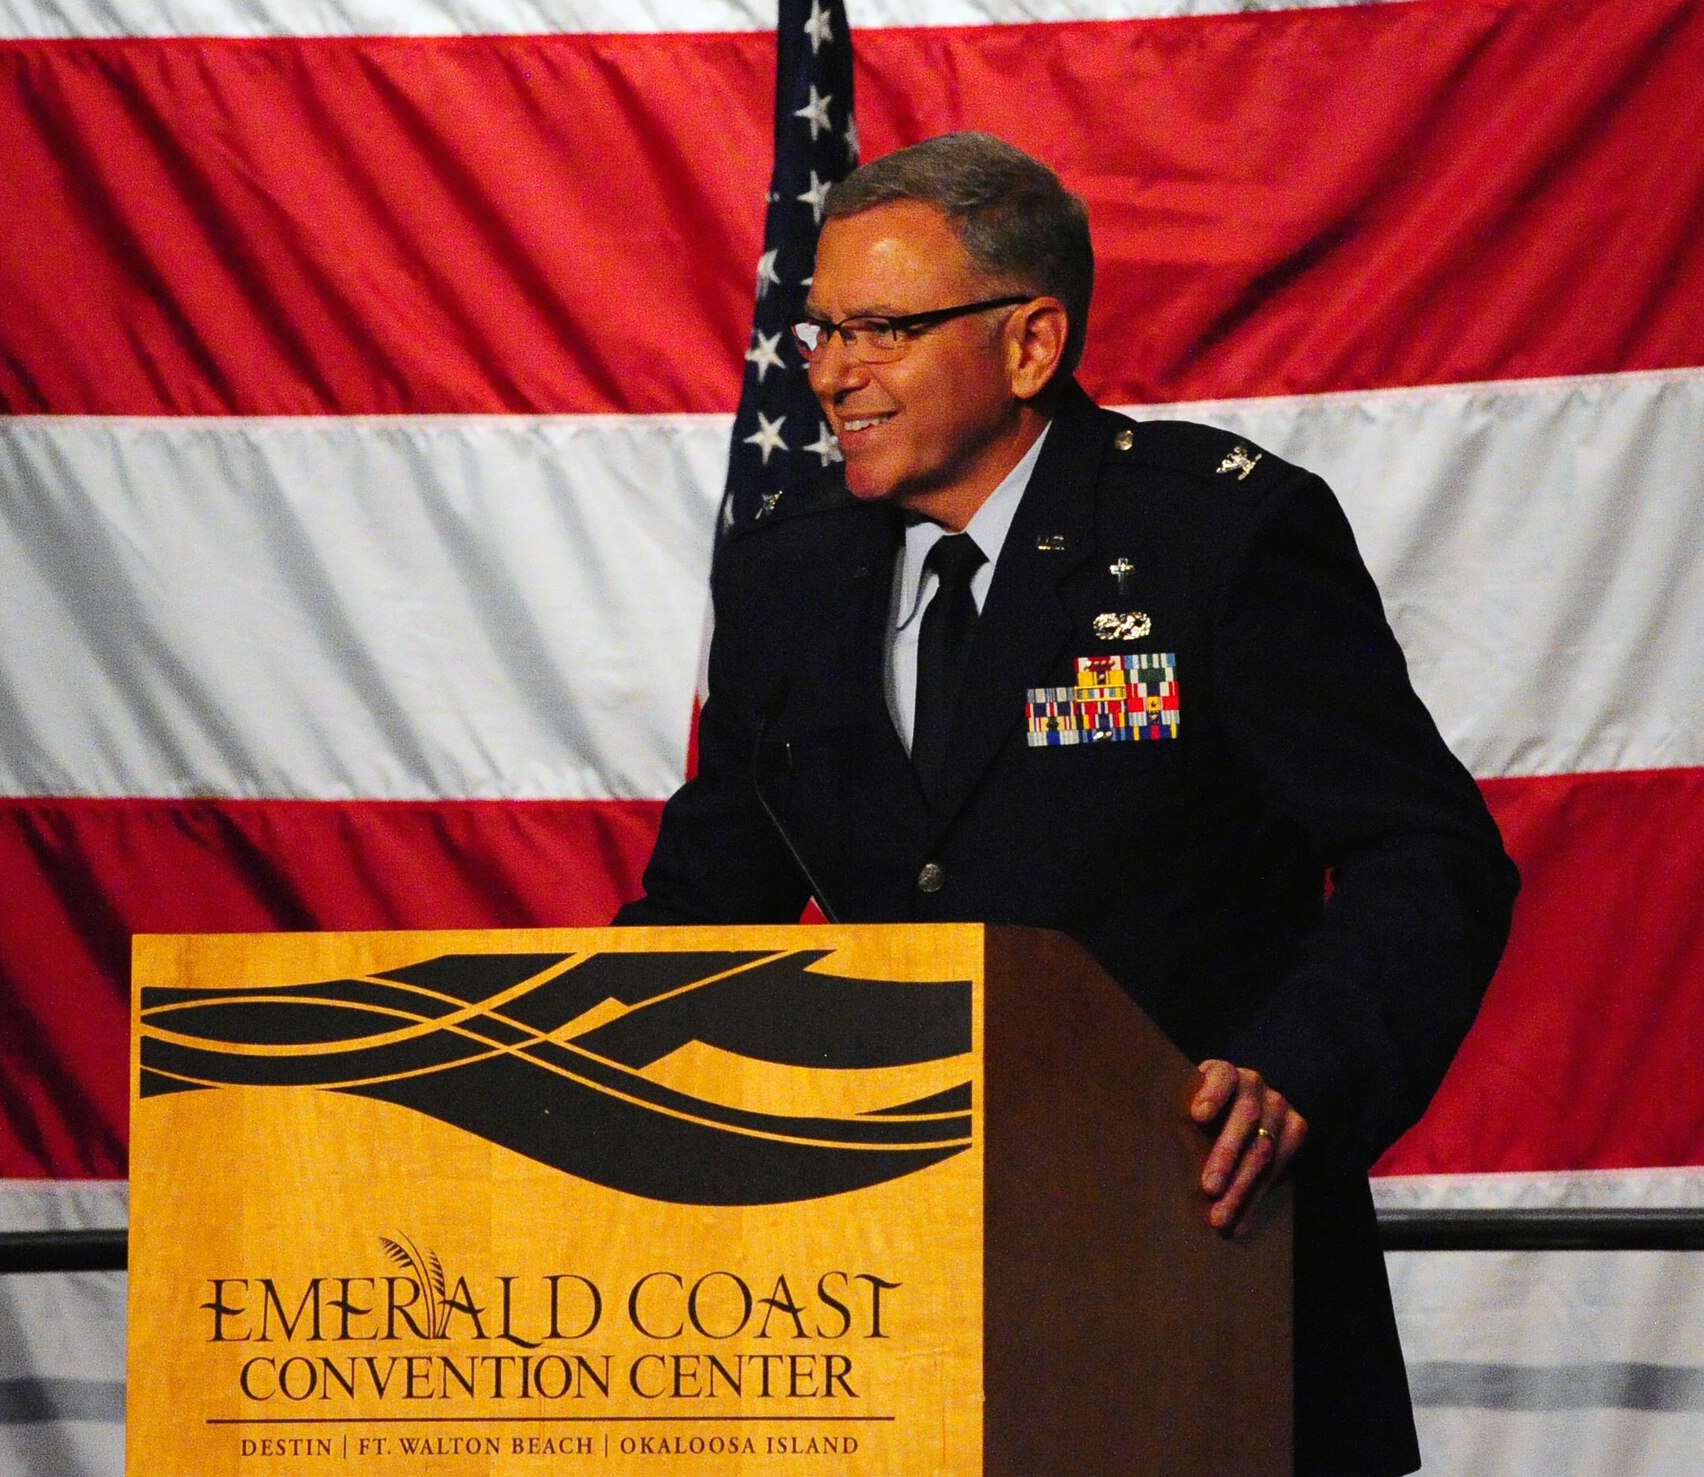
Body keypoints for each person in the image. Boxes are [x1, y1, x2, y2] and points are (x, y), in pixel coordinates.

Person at [616, 131, 1518, 1474]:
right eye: (821, 332)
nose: (832, 376)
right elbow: (708, 902)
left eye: (882, 329)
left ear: (1032, 343)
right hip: (896, 1313)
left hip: (1202, 1282)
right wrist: (562, 1074)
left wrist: (1297, 1072)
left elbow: (1425, 855)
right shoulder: (786, 574)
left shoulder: (1217, 537)